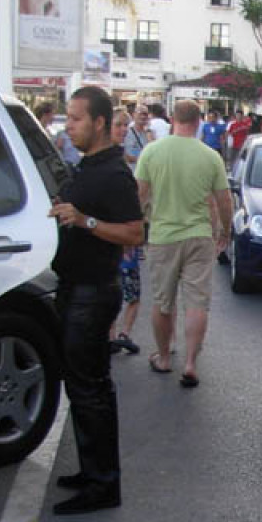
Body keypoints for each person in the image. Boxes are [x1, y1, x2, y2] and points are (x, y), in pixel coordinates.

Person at [46, 87, 144, 515]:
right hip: (75, 289)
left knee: (90, 391)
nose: (68, 126)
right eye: (68, 119)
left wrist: (83, 220)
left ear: (99, 123)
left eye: (75, 119)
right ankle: (93, 473)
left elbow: (134, 234)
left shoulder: (115, 173)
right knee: (84, 387)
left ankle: (103, 485)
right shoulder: (88, 167)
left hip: (92, 293)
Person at [135, 100, 232, 389]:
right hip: (199, 236)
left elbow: (139, 196)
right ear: (199, 121)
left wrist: (135, 230)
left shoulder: (151, 152)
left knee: (163, 302)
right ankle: (190, 363)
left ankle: (164, 357)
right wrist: (224, 230)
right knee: (197, 303)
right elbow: (224, 199)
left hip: (163, 237)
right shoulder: (210, 156)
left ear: (172, 119)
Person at [107, 109, 143, 356]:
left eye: (124, 125)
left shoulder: (120, 159)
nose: (122, 130)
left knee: (132, 292)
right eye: (118, 125)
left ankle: (123, 335)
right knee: (111, 291)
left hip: (127, 237)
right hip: (110, 239)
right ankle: (111, 337)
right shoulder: (104, 160)